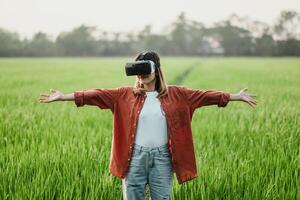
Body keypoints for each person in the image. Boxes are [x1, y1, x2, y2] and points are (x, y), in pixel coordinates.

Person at [39, 51, 257, 200]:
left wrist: (235, 96)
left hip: (162, 158)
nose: (142, 75)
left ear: (157, 70)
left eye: (146, 69)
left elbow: (206, 95)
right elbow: (95, 94)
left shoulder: (178, 95)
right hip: (133, 157)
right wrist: (63, 97)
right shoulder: (123, 95)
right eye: (138, 70)